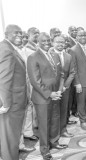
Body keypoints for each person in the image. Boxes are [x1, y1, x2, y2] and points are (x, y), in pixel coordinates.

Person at [27, 32, 66, 160]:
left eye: (48, 40)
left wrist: (59, 91)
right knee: (44, 124)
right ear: (37, 42)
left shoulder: (54, 55)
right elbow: (35, 81)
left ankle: (54, 142)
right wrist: (50, 94)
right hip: (42, 98)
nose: (46, 43)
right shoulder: (33, 57)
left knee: (55, 120)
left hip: (56, 94)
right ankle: (45, 150)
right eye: (43, 41)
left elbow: (60, 74)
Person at [0, 24, 27, 160]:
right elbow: (4, 78)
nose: (19, 36)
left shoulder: (9, 48)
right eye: (15, 33)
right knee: (10, 138)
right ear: (6, 34)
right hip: (12, 103)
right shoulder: (6, 50)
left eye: (20, 33)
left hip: (15, 100)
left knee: (11, 136)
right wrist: (6, 104)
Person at [49, 36, 76, 138]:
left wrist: (65, 86)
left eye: (62, 42)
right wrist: (58, 88)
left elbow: (72, 72)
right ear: (53, 43)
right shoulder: (49, 55)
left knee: (64, 110)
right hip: (53, 89)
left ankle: (63, 130)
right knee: (54, 112)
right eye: (58, 42)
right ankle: (54, 133)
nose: (60, 44)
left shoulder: (68, 56)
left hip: (65, 89)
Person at [19, 27, 40, 152]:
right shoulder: (24, 50)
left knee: (30, 108)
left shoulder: (26, 49)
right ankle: (26, 133)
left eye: (25, 37)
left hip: (30, 81)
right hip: (24, 83)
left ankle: (29, 131)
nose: (24, 39)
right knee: (27, 108)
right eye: (23, 37)